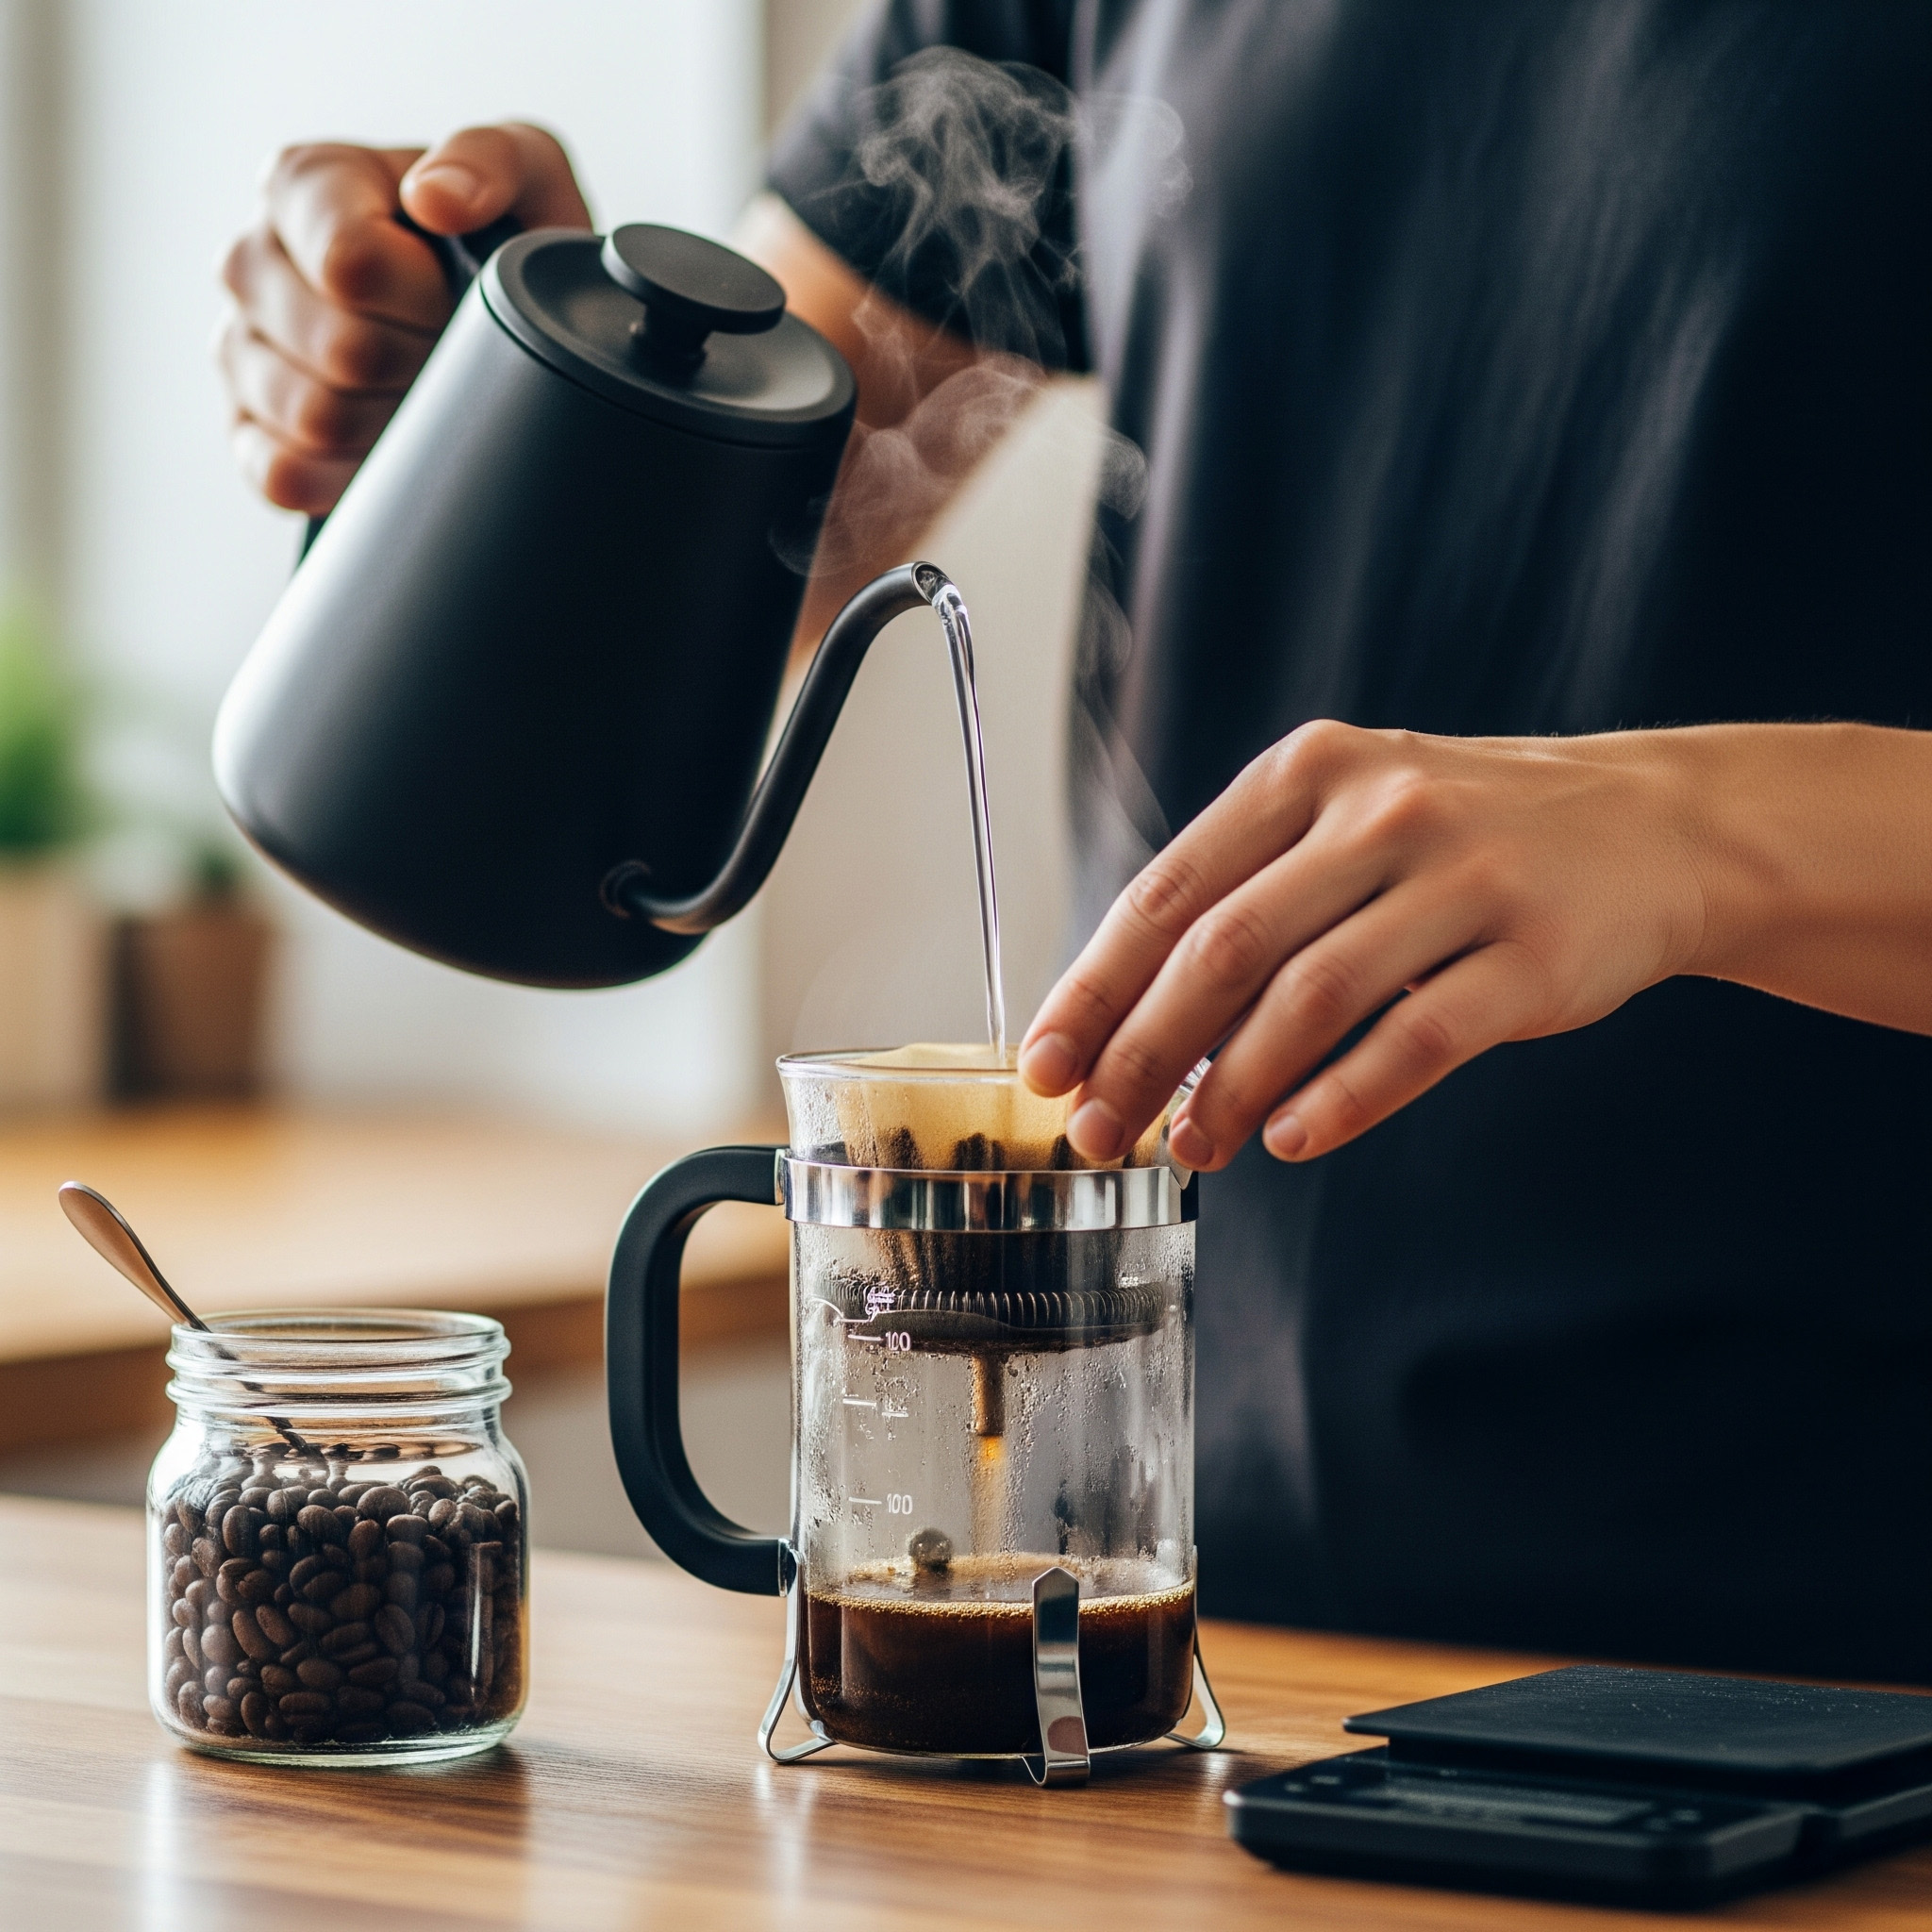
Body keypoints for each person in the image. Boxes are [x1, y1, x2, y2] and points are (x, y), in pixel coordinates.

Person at [216, 3, 1932, 1680]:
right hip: (1209, 1646)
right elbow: (725, 580)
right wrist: (516, 422)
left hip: (1846, 1649)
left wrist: (1699, 836)